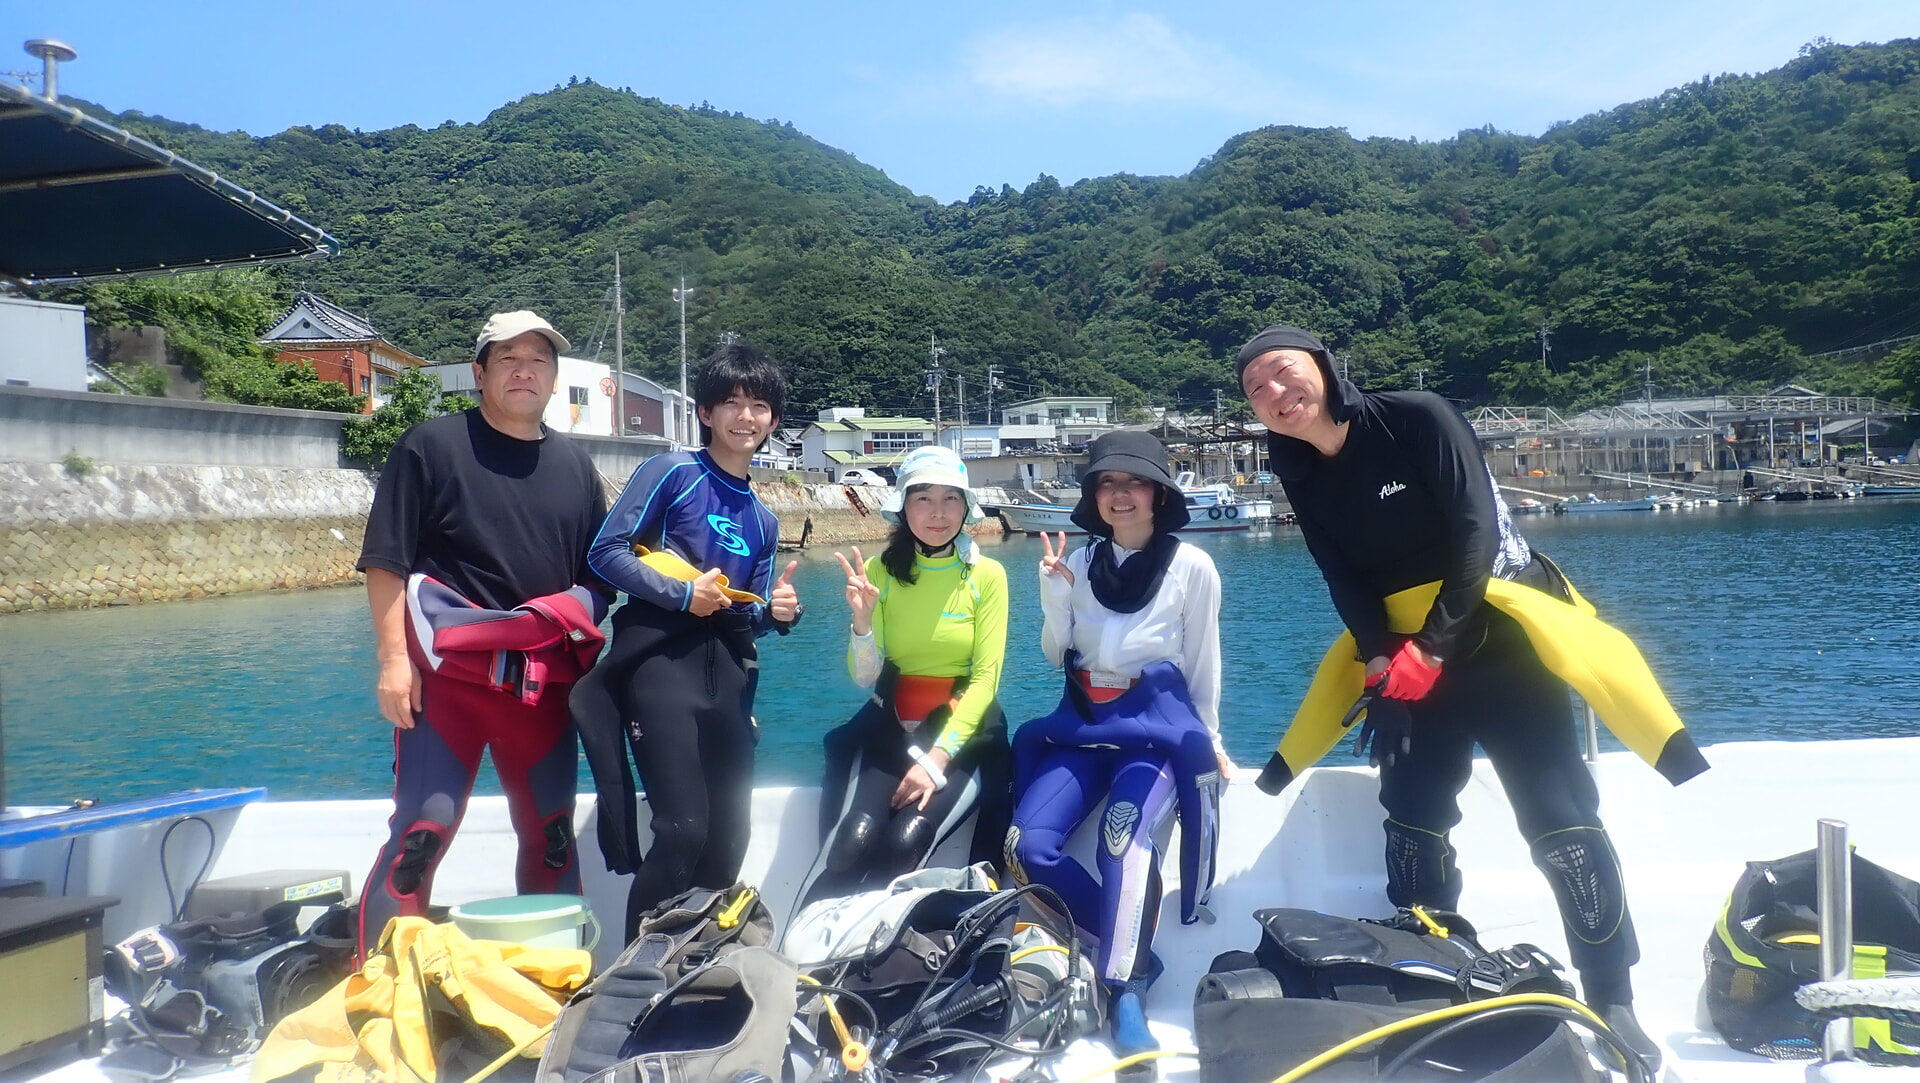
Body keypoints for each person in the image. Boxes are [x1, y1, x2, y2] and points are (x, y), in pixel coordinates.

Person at [1237, 324, 1709, 1070]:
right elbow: (1339, 571)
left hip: (1501, 637)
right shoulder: (1291, 460)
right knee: (1413, 822)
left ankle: (1610, 992)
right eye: (1256, 388)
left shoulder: (1417, 416)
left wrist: (1433, 645)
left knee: (1561, 821)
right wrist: (1383, 654)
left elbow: (1475, 531)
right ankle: (1437, 974)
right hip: (1404, 656)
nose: (1274, 393)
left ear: (1325, 369)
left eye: (1284, 372)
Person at [354, 311, 608, 960]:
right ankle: (380, 994)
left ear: (555, 378)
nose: (525, 370)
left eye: (539, 360)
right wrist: (392, 661)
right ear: (479, 372)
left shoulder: (577, 469)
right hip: (446, 688)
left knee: (551, 835)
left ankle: (552, 993)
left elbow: (598, 583)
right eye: (508, 358)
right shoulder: (431, 447)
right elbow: (387, 562)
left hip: (541, 691)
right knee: (421, 832)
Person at [1005, 430, 1230, 1059]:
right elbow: (1058, 655)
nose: (1120, 495)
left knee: (1123, 844)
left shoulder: (1192, 566)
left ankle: (1125, 986)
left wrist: (1208, 742)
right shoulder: (1076, 564)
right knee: (1027, 843)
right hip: (1084, 724)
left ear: (1159, 493)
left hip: (1155, 732)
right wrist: (1053, 600)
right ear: (1094, 497)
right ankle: (1134, 951)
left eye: (1133, 482)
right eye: (1107, 483)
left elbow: (1202, 665)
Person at [571, 341, 801, 939]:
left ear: (774, 420)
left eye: (758, 406)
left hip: (725, 676)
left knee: (730, 841)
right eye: (731, 403)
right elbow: (605, 553)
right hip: (660, 665)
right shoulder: (673, 472)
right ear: (705, 412)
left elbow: (742, 616)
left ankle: (694, 969)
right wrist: (680, 595)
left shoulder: (764, 517)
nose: (745, 417)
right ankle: (631, 979)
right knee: (681, 830)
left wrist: (775, 614)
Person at [794, 446, 1013, 908]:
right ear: (903, 507)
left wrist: (934, 762)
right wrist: (862, 624)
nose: (938, 513)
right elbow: (865, 677)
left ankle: (871, 964)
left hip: (960, 736)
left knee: (904, 840)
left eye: (951, 498)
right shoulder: (879, 572)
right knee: (852, 841)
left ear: (966, 506)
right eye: (923, 499)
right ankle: (812, 958)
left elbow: (986, 679)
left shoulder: (986, 575)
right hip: (889, 729)